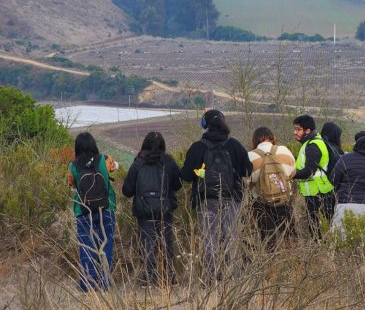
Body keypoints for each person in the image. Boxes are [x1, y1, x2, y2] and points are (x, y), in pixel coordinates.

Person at [181, 109, 251, 283]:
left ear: (205, 125)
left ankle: (211, 279)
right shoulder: (235, 145)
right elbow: (248, 170)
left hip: (207, 199)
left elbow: (186, 176)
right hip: (232, 198)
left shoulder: (198, 147)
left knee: (209, 240)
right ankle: (231, 278)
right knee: (231, 238)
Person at [122, 132, 182, 286]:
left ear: (145, 144)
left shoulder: (138, 164)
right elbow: (177, 185)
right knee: (166, 243)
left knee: (148, 244)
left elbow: (127, 190)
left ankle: (150, 278)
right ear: (162, 145)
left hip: (144, 211)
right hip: (165, 209)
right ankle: (169, 277)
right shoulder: (168, 162)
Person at [67, 132, 118, 291]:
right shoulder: (104, 159)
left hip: (83, 212)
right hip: (106, 209)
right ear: (93, 145)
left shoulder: (72, 166)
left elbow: (72, 187)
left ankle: (87, 284)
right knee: (106, 246)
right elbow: (116, 167)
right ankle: (104, 283)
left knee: (86, 248)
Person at [248, 126, 296, 250]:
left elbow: (247, 181)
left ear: (255, 140)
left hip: (261, 202)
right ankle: (295, 263)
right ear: (272, 137)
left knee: (268, 237)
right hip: (284, 198)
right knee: (289, 234)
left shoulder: (251, 156)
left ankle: (272, 265)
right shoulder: (284, 150)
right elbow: (292, 173)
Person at [292, 114, 335, 238]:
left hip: (318, 191)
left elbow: (309, 171)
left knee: (317, 228)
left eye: (298, 129)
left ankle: (320, 253)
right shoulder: (310, 143)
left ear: (308, 131)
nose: (295, 132)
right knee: (318, 226)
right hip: (316, 190)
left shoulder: (313, 146)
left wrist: (290, 174)